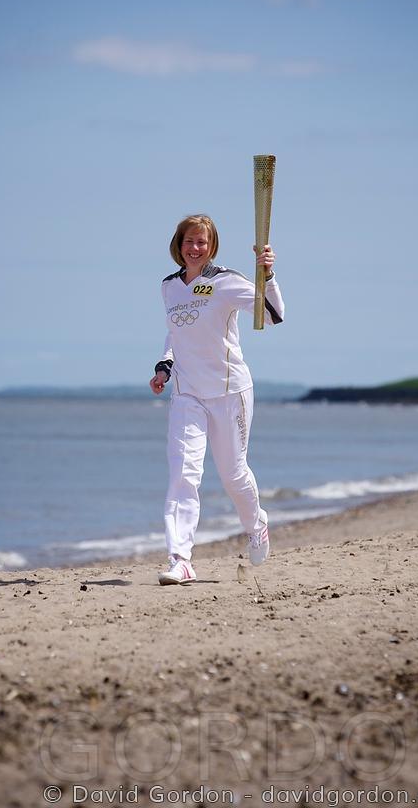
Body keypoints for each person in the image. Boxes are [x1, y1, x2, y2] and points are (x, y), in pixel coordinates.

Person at [149, 214, 285, 585]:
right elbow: (176, 333)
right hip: (187, 393)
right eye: (189, 241)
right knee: (183, 474)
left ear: (211, 247)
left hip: (229, 391)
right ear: (178, 245)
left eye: (202, 242)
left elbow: (273, 314)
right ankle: (180, 560)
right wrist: (164, 367)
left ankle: (256, 525)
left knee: (232, 474)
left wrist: (268, 275)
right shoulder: (169, 287)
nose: (195, 248)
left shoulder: (225, 282)